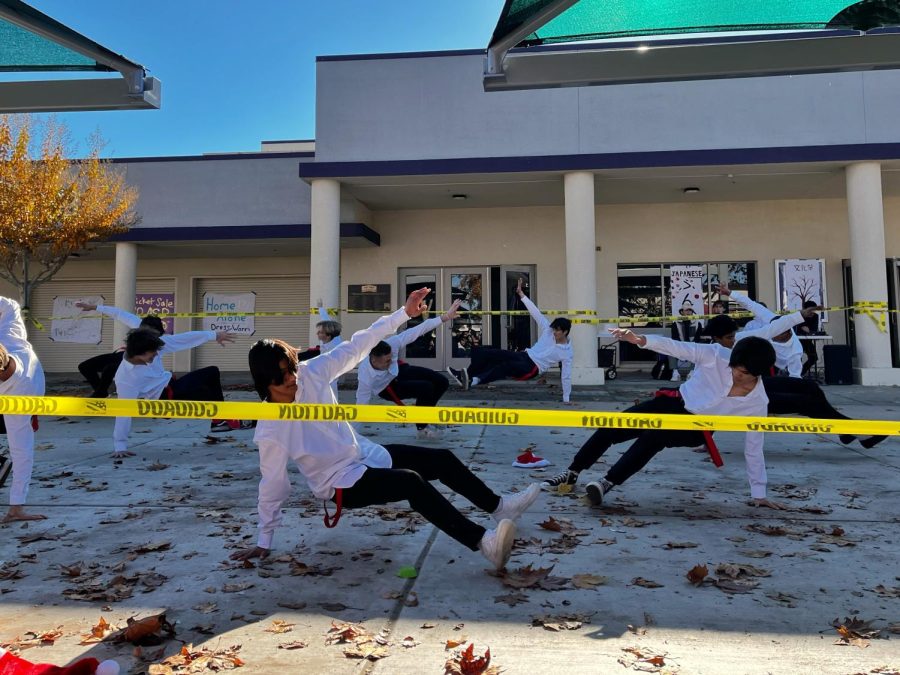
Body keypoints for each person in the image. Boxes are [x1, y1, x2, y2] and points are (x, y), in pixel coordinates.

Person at [230, 288, 540, 571]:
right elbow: (273, 484)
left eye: (291, 369)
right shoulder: (270, 426)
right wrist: (264, 539)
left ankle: (499, 507)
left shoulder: (312, 373)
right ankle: (484, 543)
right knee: (411, 483)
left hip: (364, 454)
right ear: (264, 383)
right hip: (339, 483)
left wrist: (403, 313)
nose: (291, 380)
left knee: (442, 459)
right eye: (281, 377)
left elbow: (359, 344)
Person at [541, 319, 805, 509]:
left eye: (743, 373)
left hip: (696, 427)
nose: (735, 374)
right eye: (734, 367)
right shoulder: (716, 355)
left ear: (758, 373)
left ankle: (606, 483)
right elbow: (677, 347)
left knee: (653, 438)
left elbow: (754, 447)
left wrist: (758, 493)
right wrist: (639, 339)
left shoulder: (757, 402)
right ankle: (572, 473)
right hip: (674, 403)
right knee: (614, 427)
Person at [703, 313, 885, 450]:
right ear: (716, 338)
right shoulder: (708, 357)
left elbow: (769, 330)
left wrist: (800, 315)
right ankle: (858, 433)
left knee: (809, 387)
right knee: (807, 402)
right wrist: (706, 439)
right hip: (743, 398)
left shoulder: (736, 341)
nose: (733, 340)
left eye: (734, 336)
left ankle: (846, 430)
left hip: (759, 383)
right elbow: (704, 397)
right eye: (729, 338)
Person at [448, 279, 573, 403]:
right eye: (554, 330)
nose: (554, 333)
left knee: (504, 367)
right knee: (486, 352)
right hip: (524, 356)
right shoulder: (548, 330)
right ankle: (465, 377)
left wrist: (566, 399)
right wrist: (521, 295)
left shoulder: (567, 353)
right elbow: (535, 312)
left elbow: (566, 376)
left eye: (558, 331)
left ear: (565, 332)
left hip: (532, 368)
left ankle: (475, 381)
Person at [357, 299, 460, 440]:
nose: (389, 362)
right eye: (386, 361)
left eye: (390, 358)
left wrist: (445, 317)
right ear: (373, 359)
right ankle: (422, 428)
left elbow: (417, 331)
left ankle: (425, 414)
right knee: (426, 388)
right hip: (386, 387)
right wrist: (353, 435)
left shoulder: (392, 343)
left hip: (399, 371)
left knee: (441, 381)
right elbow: (361, 405)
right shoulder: (365, 376)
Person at [0, 296, 46, 523]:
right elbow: (9, 303)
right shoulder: (9, 334)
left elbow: (22, 453)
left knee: (20, 449)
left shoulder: (23, 393)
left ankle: (16, 507)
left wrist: (16, 505)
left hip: (23, 395)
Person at [718, 284, 803, 377]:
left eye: (776, 333)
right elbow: (751, 304)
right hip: (760, 358)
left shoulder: (795, 352)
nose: (773, 334)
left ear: (787, 333)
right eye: (772, 329)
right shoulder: (771, 318)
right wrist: (730, 293)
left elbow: (796, 376)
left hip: (780, 368)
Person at [76, 314, 165, 398]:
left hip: (132, 360)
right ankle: (101, 391)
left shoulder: (159, 341)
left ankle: (100, 392)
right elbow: (120, 313)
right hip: (122, 354)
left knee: (109, 368)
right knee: (84, 366)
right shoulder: (139, 330)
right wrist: (95, 307)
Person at [795, 299, 821, 377]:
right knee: (797, 358)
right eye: (810, 310)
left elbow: (813, 329)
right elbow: (799, 328)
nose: (812, 312)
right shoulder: (799, 316)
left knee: (813, 357)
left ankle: (802, 372)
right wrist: (806, 329)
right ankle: (795, 374)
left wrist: (808, 329)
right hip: (797, 341)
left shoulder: (816, 316)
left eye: (814, 310)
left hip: (807, 341)